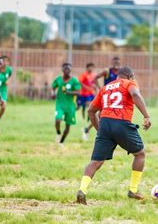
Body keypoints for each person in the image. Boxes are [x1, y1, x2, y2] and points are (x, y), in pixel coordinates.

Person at [76, 66, 151, 205]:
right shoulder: (129, 83)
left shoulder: (106, 87)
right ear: (129, 76)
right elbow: (135, 95)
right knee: (140, 154)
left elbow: (91, 110)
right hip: (121, 122)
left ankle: (82, 190)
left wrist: (100, 130)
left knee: (96, 161)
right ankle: (133, 190)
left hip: (104, 123)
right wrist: (146, 116)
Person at [51, 63, 81, 146]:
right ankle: (58, 133)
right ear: (62, 70)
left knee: (68, 126)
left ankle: (61, 142)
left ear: (71, 70)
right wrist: (53, 93)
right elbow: (53, 87)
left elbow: (78, 92)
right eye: (65, 69)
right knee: (57, 120)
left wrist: (69, 92)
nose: (67, 70)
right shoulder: (58, 79)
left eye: (68, 69)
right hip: (60, 104)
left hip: (70, 106)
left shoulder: (74, 80)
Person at [77, 63, 97, 141]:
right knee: (82, 106)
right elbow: (80, 82)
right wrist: (86, 87)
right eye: (90, 67)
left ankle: (89, 119)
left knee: (89, 105)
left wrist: (94, 87)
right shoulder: (83, 75)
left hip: (90, 93)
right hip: (83, 93)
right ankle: (87, 118)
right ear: (87, 68)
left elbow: (93, 83)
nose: (91, 69)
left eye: (92, 67)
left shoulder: (93, 75)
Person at [0, 55, 12, 132]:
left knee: (3, 106)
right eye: (3, 61)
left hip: (3, 90)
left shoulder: (9, 70)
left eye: (7, 61)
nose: (5, 63)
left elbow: (9, 77)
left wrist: (8, 81)